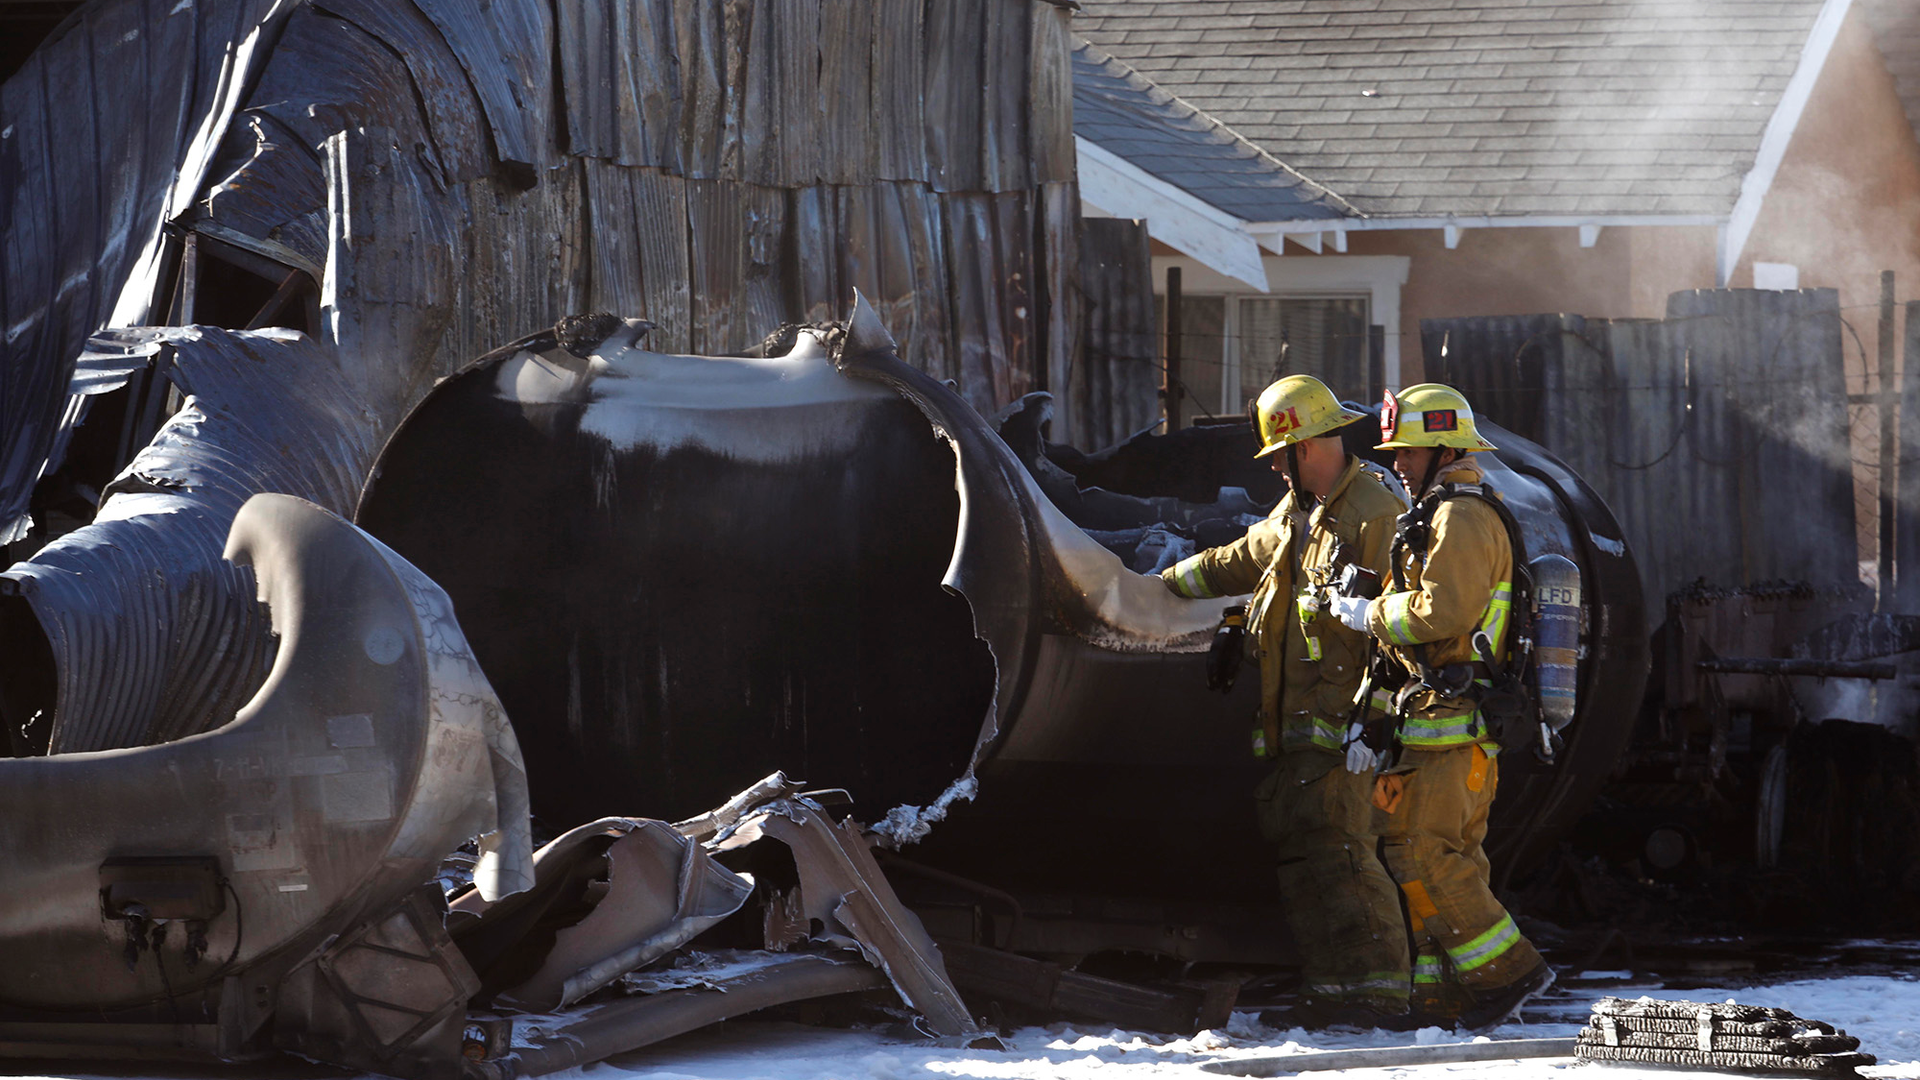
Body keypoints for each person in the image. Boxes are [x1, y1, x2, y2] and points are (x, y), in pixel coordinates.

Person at [1160, 375, 1412, 1029]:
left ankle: (1381, 996)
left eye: (1279, 454)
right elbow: (1244, 559)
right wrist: (1161, 583)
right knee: (1307, 866)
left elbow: (1400, 628)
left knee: (1349, 860)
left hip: (1349, 735)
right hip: (1298, 734)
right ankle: (1332, 995)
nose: (1273, 467)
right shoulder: (1300, 513)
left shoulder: (1374, 514)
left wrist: (1376, 721)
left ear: (1306, 448)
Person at [1327, 383, 1555, 1030]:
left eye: (1410, 452)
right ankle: (1444, 996)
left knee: (1425, 855)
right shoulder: (1437, 512)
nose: (1397, 463)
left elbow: (1442, 613)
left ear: (1445, 449)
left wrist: (1365, 612)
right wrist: (1373, 718)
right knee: (1424, 855)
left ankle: (1509, 973)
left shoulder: (1460, 516)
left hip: (1453, 728)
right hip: (1426, 724)